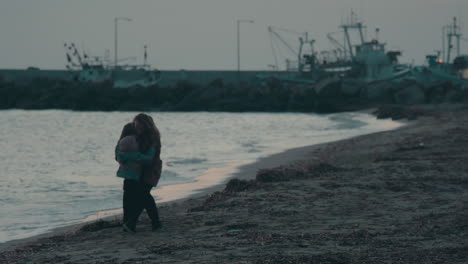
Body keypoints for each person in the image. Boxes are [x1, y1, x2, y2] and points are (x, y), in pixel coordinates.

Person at [116, 113, 162, 233]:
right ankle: (130, 223)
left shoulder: (152, 138)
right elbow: (119, 155)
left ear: (146, 125)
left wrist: (130, 156)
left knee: (143, 196)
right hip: (138, 171)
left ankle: (135, 223)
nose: (137, 127)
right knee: (138, 196)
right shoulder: (136, 137)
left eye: (140, 124)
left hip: (150, 170)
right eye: (136, 124)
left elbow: (149, 159)